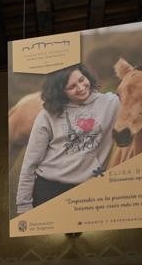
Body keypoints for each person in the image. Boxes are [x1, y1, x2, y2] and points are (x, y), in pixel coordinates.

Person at [16, 63, 120, 213]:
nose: (81, 87)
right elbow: (30, 163)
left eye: (82, 79)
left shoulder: (111, 103)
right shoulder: (47, 115)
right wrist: (23, 205)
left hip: (89, 189)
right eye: (72, 87)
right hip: (50, 190)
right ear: (61, 92)